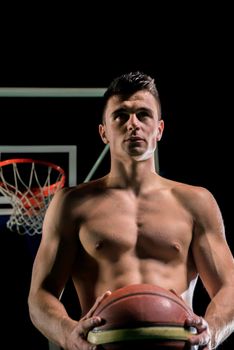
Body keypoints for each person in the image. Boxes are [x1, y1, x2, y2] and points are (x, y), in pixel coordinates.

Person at [28, 71, 234, 350]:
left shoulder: (196, 202)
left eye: (143, 114)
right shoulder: (71, 204)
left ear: (159, 129)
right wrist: (67, 333)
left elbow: (230, 286)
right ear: (104, 132)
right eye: (121, 115)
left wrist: (214, 331)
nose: (132, 124)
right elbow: (40, 295)